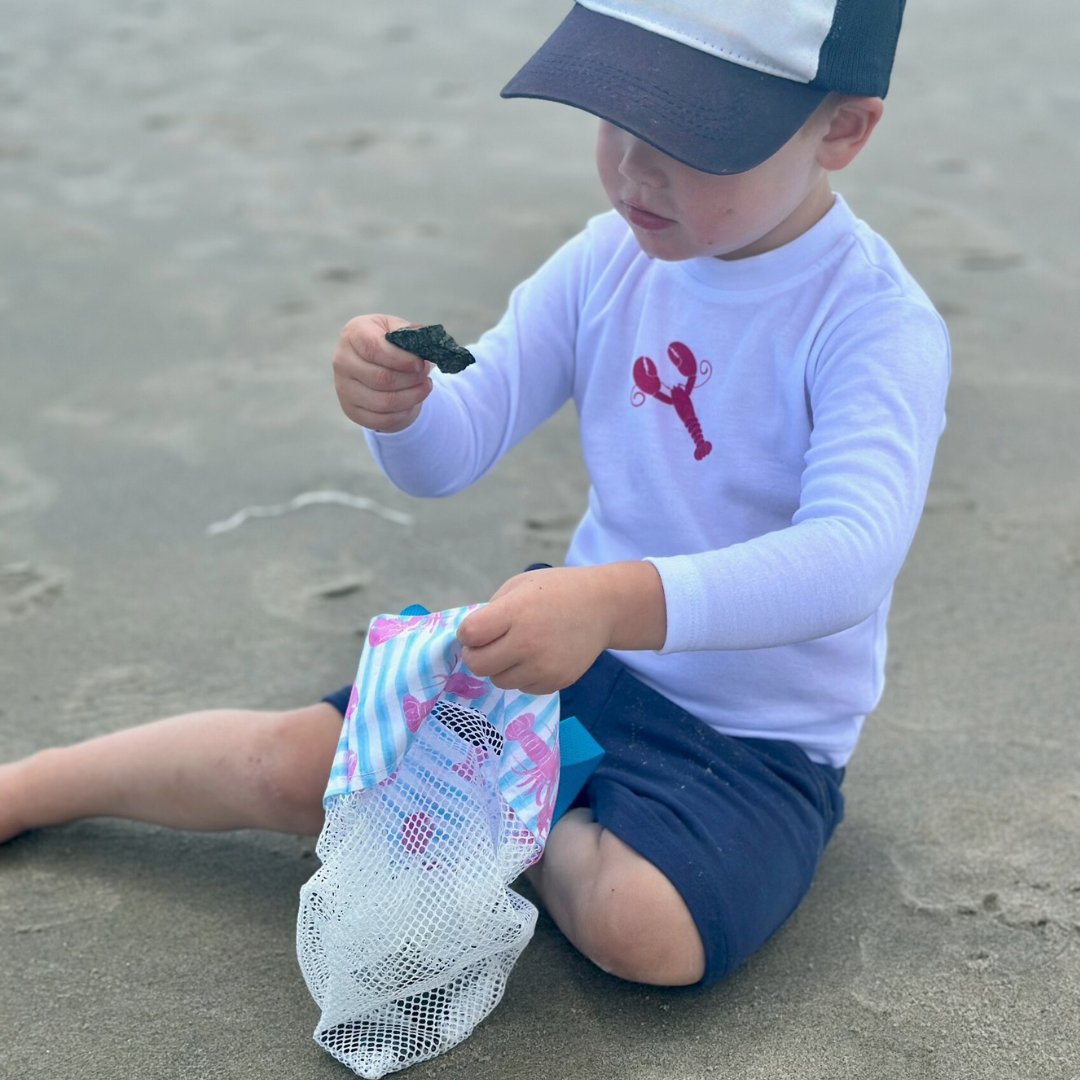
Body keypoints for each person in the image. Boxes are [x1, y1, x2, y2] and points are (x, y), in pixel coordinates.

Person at [0, 1, 949, 990]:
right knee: (285, 763)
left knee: (646, 932)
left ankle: (510, 810)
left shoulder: (871, 324)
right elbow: (452, 453)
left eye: (692, 140)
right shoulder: (606, 262)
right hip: (570, 660)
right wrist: (402, 410)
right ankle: (31, 786)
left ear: (842, 129)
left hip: (752, 740)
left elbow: (849, 558)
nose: (634, 170)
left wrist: (609, 601)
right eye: (618, 118)